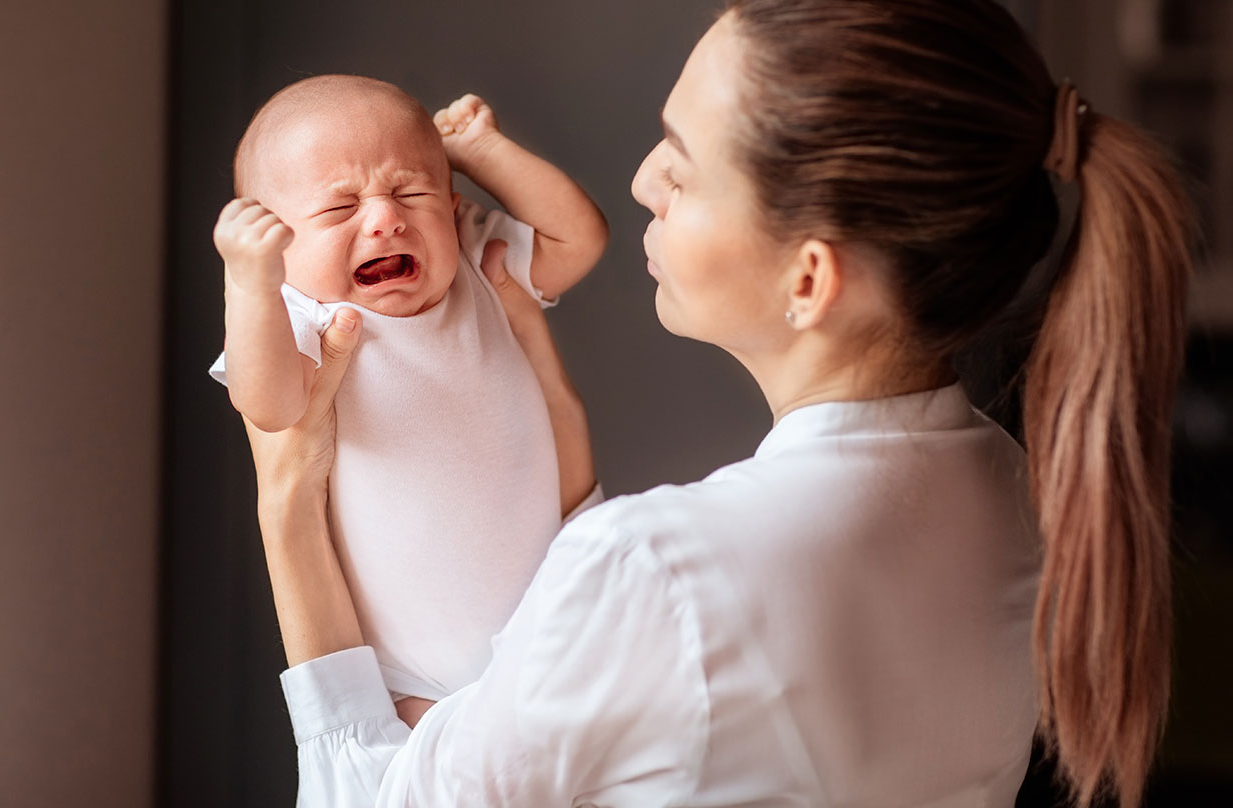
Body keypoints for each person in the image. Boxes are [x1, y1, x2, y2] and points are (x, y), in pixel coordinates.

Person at [246, 1, 1194, 805]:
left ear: (809, 277)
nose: (641, 182)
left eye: (682, 161)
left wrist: (286, 510)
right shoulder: (1017, 488)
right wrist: (565, 456)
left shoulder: (652, 574)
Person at [209, 75, 607, 712]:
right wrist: (250, 287)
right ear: (280, 251)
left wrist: (482, 153)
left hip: (557, 634)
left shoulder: (475, 264)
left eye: (410, 191)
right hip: (414, 685)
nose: (385, 219)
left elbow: (579, 239)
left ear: (452, 207)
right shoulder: (303, 318)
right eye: (340, 209)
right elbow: (269, 405)